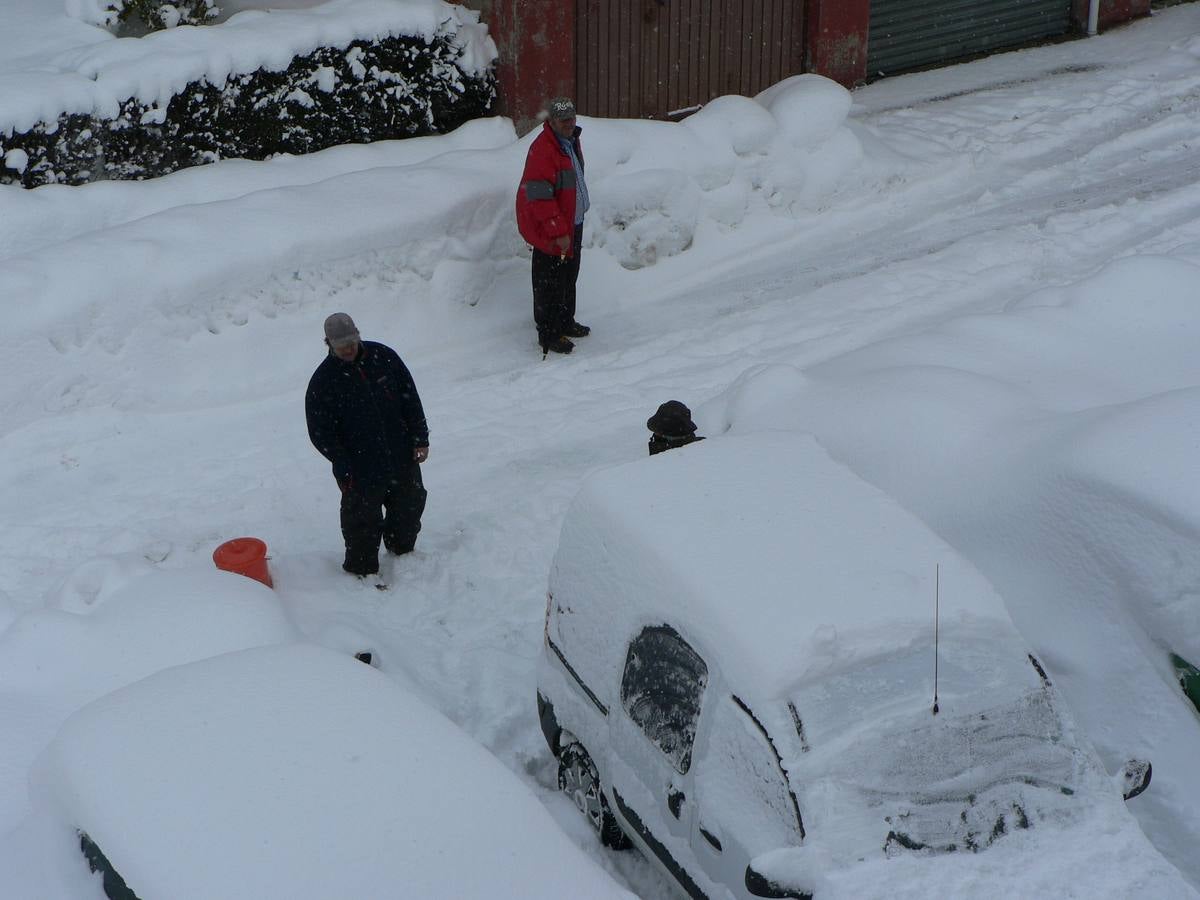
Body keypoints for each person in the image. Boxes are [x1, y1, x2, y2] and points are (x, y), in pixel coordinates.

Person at [305, 313, 430, 577]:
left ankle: (401, 551)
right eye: (341, 345)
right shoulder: (323, 382)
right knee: (361, 521)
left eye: (352, 341)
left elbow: (410, 399)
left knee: (409, 505)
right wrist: (342, 461)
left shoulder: (384, 357)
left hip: (400, 455)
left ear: (358, 334)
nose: (349, 348)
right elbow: (320, 433)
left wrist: (420, 438)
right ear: (328, 344)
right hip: (358, 466)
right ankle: (361, 572)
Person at [515, 96, 591, 358]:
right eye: (564, 120)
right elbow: (539, 196)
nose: (570, 124)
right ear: (552, 121)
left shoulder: (569, 141)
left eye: (572, 118)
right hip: (552, 231)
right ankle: (548, 332)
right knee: (549, 283)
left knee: (568, 277)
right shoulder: (544, 149)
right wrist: (558, 232)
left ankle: (565, 322)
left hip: (572, 224)